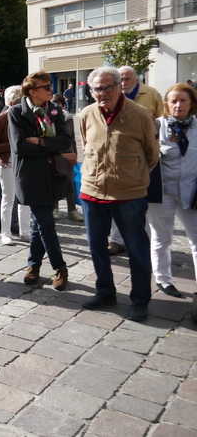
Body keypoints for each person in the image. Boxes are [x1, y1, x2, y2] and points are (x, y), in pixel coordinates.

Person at [79, 67, 158, 321]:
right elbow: (86, 145)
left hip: (129, 193)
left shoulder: (140, 115)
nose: (102, 94)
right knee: (96, 246)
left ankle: (140, 299)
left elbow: (151, 155)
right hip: (92, 191)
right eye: (96, 89)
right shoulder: (86, 114)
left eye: (107, 87)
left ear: (118, 86)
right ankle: (105, 292)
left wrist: (130, 174)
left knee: (136, 247)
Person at [9, 71, 72, 292]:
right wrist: (49, 142)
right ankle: (61, 268)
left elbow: (65, 141)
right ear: (32, 91)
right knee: (46, 224)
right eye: (45, 86)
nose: (50, 89)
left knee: (39, 224)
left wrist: (40, 141)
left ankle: (33, 266)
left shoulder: (54, 111)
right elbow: (19, 146)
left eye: (50, 85)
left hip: (52, 176)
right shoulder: (17, 112)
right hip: (31, 178)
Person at [107, 65, 165, 255]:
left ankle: (143, 239)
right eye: (120, 79)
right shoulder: (112, 94)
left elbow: (161, 120)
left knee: (143, 200)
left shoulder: (151, 94)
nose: (124, 83)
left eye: (128, 79)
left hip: (144, 157)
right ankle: (116, 240)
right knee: (117, 199)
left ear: (137, 79)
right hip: (118, 158)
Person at [148, 84, 197, 298]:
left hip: (192, 192)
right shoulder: (157, 126)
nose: (178, 105)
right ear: (166, 105)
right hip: (163, 192)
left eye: (183, 100)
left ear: (192, 103)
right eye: (173, 101)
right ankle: (163, 280)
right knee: (161, 237)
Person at [0, 85, 32, 245]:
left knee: (24, 198)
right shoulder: (0, 119)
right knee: (8, 198)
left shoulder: (26, 118)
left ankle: (25, 231)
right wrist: (14, 144)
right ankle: (5, 233)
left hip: (23, 162)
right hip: (7, 163)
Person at [52, 94, 83, 221]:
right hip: (54, 153)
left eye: (58, 103)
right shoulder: (48, 117)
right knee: (54, 182)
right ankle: (54, 209)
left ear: (63, 105)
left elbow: (71, 138)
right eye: (53, 103)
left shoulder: (68, 118)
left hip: (67, 154)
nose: (56, 105)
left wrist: (74, 154)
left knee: (69, 183)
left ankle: (72, 210)